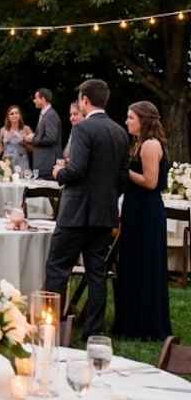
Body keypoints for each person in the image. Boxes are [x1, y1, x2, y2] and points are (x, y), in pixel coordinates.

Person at [43, 79, 129, 337]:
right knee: (97, 274)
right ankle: (94, 331)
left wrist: (59, 172)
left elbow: (77, 170)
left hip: (76, 214)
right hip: (105, 214)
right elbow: (122, 177)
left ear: (84, 100)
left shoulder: (83, 129)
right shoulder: (120, 132)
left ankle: (51, 330)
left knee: (57, 268)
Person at [112, 101, 172, 340]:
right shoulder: (139, 143)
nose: (127, 121)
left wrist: (123, 170)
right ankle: (132, 320)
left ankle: (145, 324)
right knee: (132, 263)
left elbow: (150, 182)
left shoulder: (149, 145)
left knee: (144, 264)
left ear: (144, 120)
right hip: (136, 208)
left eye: (131, 117)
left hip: (146, 212)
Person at [28, 88, 62, 178]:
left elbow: (51, 138)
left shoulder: (51, 115)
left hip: (48, 163)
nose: (34, 100)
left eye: (36, 98)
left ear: (43, 99)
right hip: (43, 163)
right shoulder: (45, 114)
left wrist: (33, 139)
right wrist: (35, 135)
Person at [0, 105, 32, 173]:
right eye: (11, 114)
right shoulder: (3, 130)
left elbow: (32, 149)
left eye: (16, 113)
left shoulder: (26, 129)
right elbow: (1, 147)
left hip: (22, 162)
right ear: (8, 117)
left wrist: (23, 142)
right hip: (7, 162)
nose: (14, 115)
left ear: (20, 115)